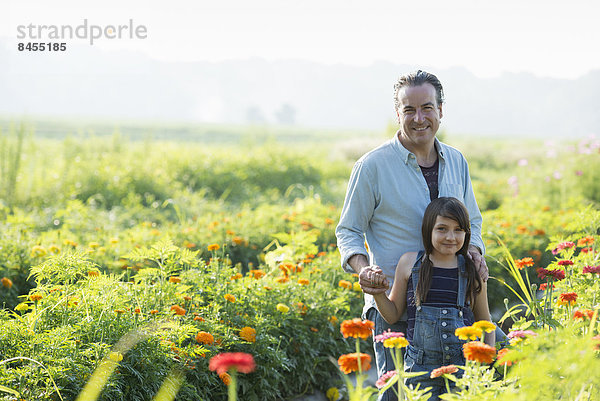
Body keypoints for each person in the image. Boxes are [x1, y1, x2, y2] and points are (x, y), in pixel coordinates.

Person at [335, 70, 487, 401]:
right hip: (395, 308)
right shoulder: (372, 166)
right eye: (409, 110)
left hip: (452, 308)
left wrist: (475, 253)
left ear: (441, 110)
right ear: (397, 113)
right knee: (398, 395)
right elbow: (348, 231)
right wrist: (365, 271)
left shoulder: (456, 161)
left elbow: (472, 220)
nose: (419, 118)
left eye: (427, 108)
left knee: (462, 391)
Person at [365, 197, 495, 400]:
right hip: (419, 371)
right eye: (442, 229)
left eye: (458, 229)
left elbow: (485, 322)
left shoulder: (473, 269)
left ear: (466, 233)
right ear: (428, 230)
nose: (450, 237)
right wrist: (378, 293)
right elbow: (392, 315)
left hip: (463, 370)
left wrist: (485, 366)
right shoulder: (410, 263)